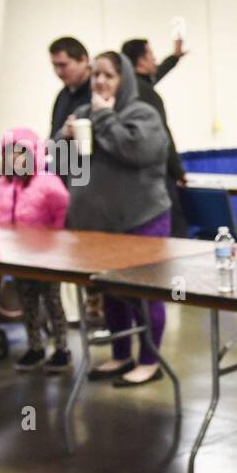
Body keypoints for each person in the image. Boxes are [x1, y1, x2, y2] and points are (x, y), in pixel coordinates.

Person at [55, 50, 171, 387]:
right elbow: (64, 170)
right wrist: (64, 140)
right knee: (111, 294)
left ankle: (150, 361)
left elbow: (138, 151)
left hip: (141, 219)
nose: (101, 82)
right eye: (97, 75)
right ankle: (121, 355)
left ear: (124, 80)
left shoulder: (141, 113)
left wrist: (104, 119)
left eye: (109, 75)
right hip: (100, 227)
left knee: (144, 294)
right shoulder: (80, 114)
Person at [0, 127, 72, 372]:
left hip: (47, 258)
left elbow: (63, 214)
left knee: (52, 301)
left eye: (19, 153)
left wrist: (58, 246)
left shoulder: (48, 183)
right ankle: (35, 347)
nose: (14, 159)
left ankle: (62, 348)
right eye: (8, 154)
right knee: (28, 302)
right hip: (18, 259)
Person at [122, 37, 188, 237]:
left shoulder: (130, 87)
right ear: (141, 61)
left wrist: (174, 58)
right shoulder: (143, 93)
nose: (155, 59)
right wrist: (177, 171)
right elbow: (163, 136)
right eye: (151, 55)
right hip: (153, 178)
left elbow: (154, 74)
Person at [49, 37, 92, 146]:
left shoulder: (99, 92)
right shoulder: (62, 95)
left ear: (83, 60)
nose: (58, 72)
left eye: (63, 65)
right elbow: (54, 136)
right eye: (55, 65)